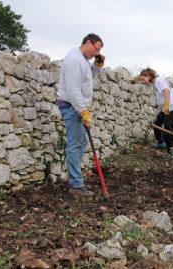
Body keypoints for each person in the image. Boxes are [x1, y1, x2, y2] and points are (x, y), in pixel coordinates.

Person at [56, 33, 105, 197]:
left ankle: (77, 181)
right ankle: (76, 186)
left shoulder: (83, 60)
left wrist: (97, 66)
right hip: (72, 107)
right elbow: (72, 90)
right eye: (96, 50)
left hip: (77, 107)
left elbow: (87, 77)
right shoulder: (74, 60)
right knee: (75, 144)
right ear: (88, 43)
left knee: (81, 142)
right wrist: (83, 111)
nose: (96, 54)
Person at [140, 68, 173, 159]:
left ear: (148, 75)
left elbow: (167, 91)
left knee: (167, 130)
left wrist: (166, 106)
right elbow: (161, 97)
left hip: (171, 108)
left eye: (143, 79)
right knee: (156, 123)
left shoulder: (158, 80)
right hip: (165, 108)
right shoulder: (155, 83)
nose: (143, 82)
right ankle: (161, 143)